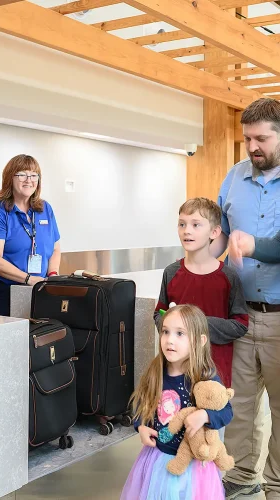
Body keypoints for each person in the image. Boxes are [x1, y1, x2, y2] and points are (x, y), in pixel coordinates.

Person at [212, 98, 280, 499]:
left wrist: (254, 244)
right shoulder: (235, 175)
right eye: (247, 138)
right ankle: (239, 478)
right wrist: (201, 244)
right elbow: (221, 230)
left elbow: (252, 242)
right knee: (239, 407)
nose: (253, 146)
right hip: (238, 316)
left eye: (262, 138)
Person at [121, 304, 233, 500]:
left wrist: (206, 415)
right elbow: (143, 401)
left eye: (180, 334)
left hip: (194, 468)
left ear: (200, 341)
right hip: (158, 458)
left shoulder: (204, 376)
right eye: (165, 332)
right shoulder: (156, 371)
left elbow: (227, 411)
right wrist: (141, 426)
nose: (170, 340)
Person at [154, 197, 248, 389]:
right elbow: (159, 313)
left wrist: (198, 325)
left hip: (214, 373)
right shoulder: (171, 273)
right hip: (175, 372)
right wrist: (172, 326)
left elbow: (240, 324)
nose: (187, 230)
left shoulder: (228, 277)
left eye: (196, 225)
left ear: (214, 232)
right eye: (182, 224)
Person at [0, 154, 60, 317]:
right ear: (10, 178)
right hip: (1, 291)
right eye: (22, 174)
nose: (28, 180)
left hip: (37, 290)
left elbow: (55, 248)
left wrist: (52, 276)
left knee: (36, 338)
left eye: (33, 175)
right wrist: (28, 278)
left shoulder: (45, 209)